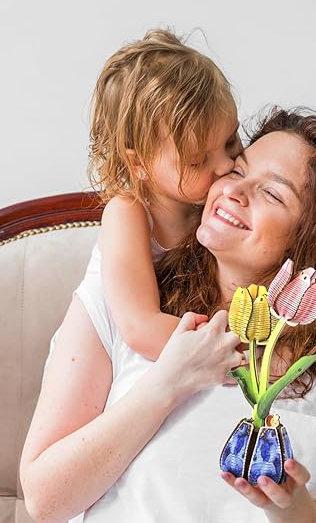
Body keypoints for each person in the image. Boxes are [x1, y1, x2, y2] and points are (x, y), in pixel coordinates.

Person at [20, 109, 316, 523]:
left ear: (313, 240)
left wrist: (289, 508)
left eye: (272, 193)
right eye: (238, 170)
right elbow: (45, 499)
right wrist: (168, 382)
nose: (234, 191)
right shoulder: (125, 303)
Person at [88, 28, 242, 361]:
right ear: (139, 163)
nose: (226, 164)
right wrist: (241, 351)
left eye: (230, 141)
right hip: (100, 336)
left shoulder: (211, 203)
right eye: (197, 160)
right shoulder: (128, 212)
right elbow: (141, 327)